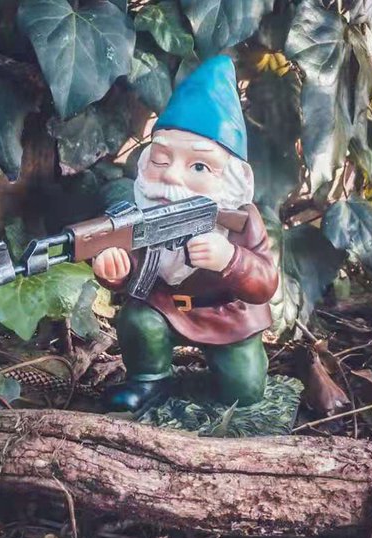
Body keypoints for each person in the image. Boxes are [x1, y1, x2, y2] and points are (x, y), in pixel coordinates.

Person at [93, 55, 279, 412]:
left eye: (199, 166)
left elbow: (265, 283)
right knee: (137, 320)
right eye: (161, 160)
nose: (171, 176)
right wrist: (115, 271)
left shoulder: (241, 221)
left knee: (245, 391)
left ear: (235, 178)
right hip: (161, 308)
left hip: (228, 317)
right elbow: (134, 264)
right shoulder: (142, 210)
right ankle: (150, 381)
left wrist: (230, 259)